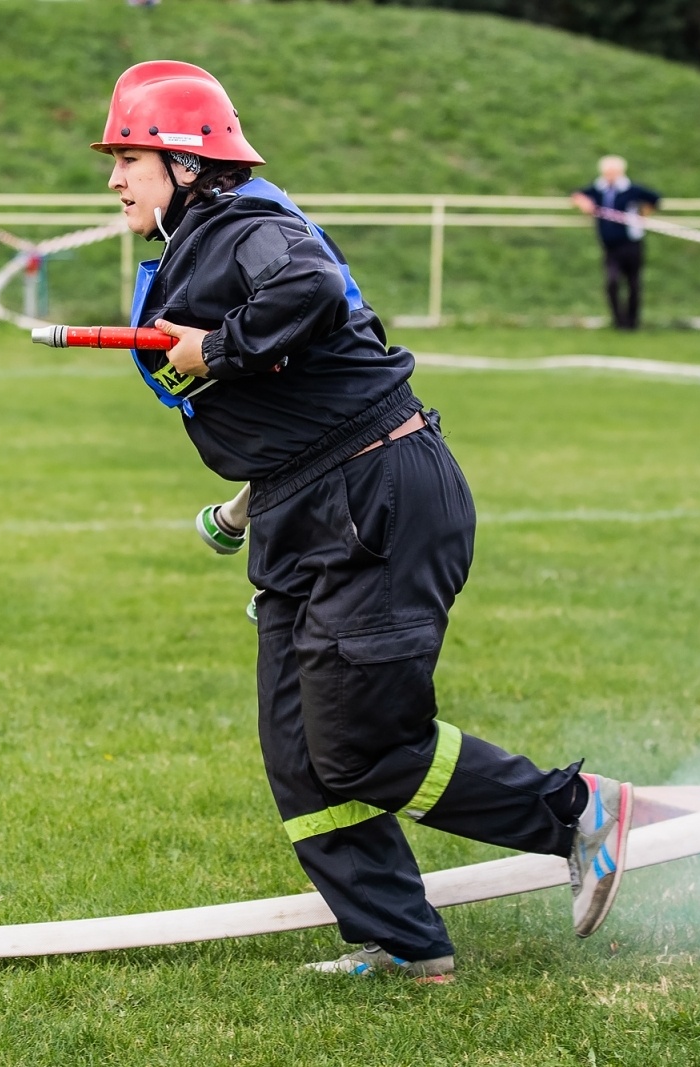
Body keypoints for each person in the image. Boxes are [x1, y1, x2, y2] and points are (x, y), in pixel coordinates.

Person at [91, 62, 633, 979]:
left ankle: (579, 810)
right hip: (309, 505)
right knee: (300, 749)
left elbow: (302, 287)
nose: (114, 179)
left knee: (362, 744)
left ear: (185, 162)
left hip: (375, 500)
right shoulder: (210, 237)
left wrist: (214, 347)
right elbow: (295, 408)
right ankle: (402, 941)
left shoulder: (249, 225)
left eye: (128, 157)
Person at [571, 156, 660, 330]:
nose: (610, 176)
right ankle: (618, 321)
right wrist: (583, 202)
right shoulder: (599, 189)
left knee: (633, 283)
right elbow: (577, 193)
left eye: (613, 172)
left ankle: (632, 323)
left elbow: (655, 198)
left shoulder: (631, 189)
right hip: (610, 245)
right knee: (611, 281)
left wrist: (643, 215)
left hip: (631, 243)